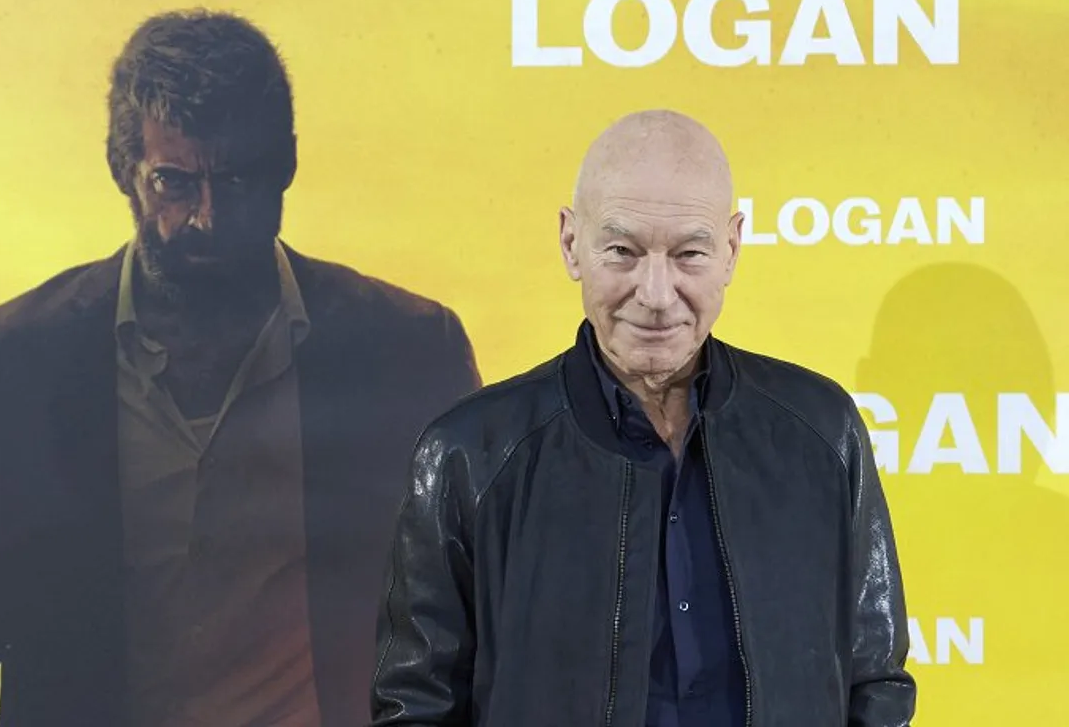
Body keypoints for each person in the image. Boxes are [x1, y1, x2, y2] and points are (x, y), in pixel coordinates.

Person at [0, 10, 480, 727]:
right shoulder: (20, 359)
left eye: (237, 180)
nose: (208, 217)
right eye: (173, 183)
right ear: (123, 172)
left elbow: (484, 598)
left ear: (287, 165)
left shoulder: (406, 350)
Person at [369, 110, 916, 726]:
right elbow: (416, 706)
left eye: (689, 254)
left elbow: (875, 683)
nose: (656, 294)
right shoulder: (469, 454)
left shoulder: (821, 432)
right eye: (623, 252)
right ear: (571, 244)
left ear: (732, 249)